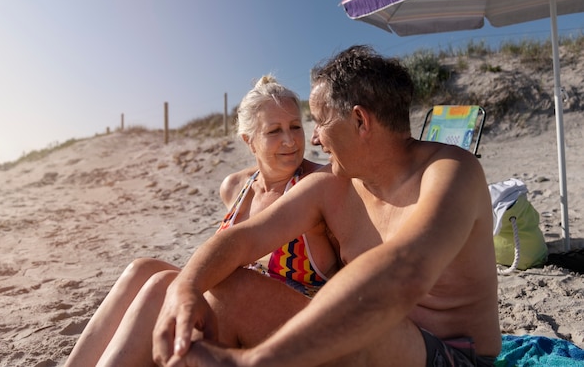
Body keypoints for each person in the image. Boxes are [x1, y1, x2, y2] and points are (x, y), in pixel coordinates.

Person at [153, 45, 502, 366]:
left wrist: (258, 360)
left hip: (452, 357)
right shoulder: (335, 184)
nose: (315, 138)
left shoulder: (450, 172)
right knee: (229, 288)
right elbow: (243, 239)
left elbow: (405, 269)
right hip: (372, 341)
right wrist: (186, 287)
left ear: (360, 121)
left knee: (365, 323)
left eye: (320, 120)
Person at [64, 75, 340, 366]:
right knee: (142, 270)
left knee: (169, 285)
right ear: (250, 142)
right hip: (233, 307)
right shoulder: (235, 187)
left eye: (296, 126)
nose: (289, 140)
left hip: (295, 321)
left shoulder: (318, 184)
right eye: (274, 131)